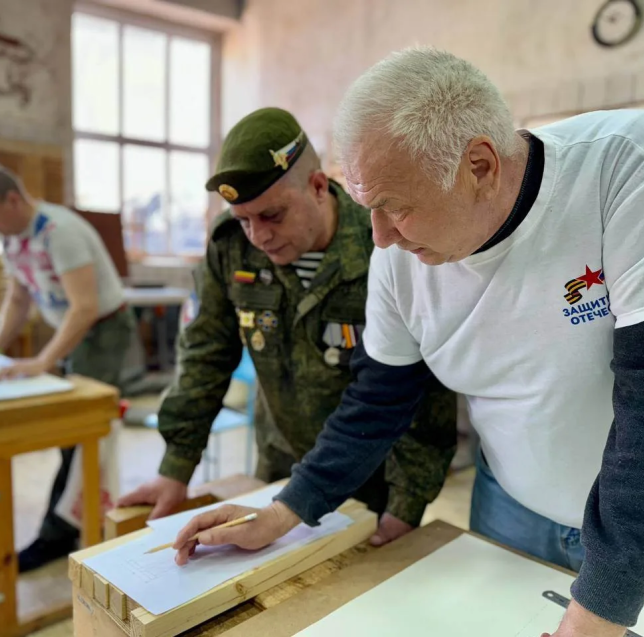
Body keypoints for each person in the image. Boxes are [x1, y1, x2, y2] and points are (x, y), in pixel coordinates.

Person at [170, 48, 644, 637]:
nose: (379, 238)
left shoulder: (636, 168)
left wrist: (602, 606)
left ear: (480, 166)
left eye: (395, 208)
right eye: (367, 208)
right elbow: (378, 400)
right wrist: (286, 510)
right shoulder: (399, 257)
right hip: (511, 508)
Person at [117, 107, 458, 546]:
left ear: (318, 187)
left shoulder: (384, 244)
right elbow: (205, 353)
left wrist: (406, 505)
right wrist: (176, 468)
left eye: (272, 216)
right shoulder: (231, 247)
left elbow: (424, 387)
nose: (257, 235)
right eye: (244, 220)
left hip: (375, 474)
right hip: (279, 464)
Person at [0, 162, 136, 572]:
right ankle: (72, 520)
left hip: (103, 331)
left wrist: (41, 361)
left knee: (82, 430)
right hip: (76, 328)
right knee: (71, 433)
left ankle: (59, 532)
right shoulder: (14, 240)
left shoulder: (60, 232)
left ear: (13, 200)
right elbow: (18, 301)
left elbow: (86, 307)